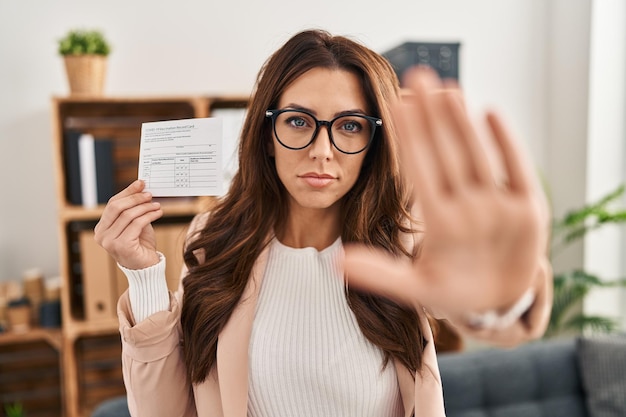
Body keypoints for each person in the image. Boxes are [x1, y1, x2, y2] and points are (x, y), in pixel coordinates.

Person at [94, 29, 552, 417]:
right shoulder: (214, 238)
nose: (322, 150)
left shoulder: (407, 245)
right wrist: (144, 275)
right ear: (266, 134)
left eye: (350, 125)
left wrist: (502, 302)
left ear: (375, 141)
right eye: (298, 121)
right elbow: (165, 411)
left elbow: (494, 312)